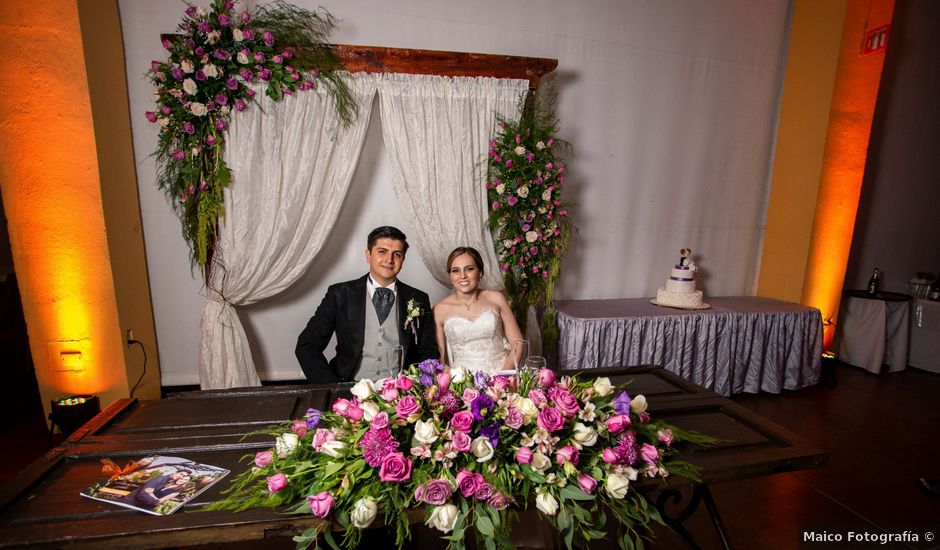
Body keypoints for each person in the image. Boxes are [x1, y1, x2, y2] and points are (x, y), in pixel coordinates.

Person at [296, 226, 438, 383]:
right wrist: (330, 387)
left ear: (403, 260)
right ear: (368, 255)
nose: (389, 260)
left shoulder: (418, 298)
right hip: (349, 390)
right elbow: (307, 346)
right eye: (382, 251)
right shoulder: (340, 294)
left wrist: (416, 387)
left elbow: (428, 352)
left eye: (397, 254)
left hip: (400, 395)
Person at [433, 247, 523, 373]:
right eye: (455, 271)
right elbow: (441, 359)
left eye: (469, 269)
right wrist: (454, 385)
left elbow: (518, 343)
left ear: (480, 272)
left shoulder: (497, 298)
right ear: (450, 276)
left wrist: (501, 377)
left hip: (501, 375)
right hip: (462, 383)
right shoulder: (439, 309)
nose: (462, 276)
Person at [121, 469, 192, 510]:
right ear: (175, 472)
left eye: (184, 477)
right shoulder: (160, 479)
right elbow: (142, 494)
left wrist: (153, 498)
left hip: (139, 506)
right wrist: (156, 502)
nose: (180, 477)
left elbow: (156, 498)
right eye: (181, 474)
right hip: (128, 503)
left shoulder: (168, 483)